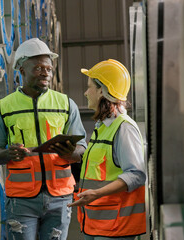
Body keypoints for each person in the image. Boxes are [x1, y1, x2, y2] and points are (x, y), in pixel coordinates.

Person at [0, 38, 87, 240]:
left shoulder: (66, 104)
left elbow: (82, 149)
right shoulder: (4, 108)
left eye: (48, 68)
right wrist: (7, 153)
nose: (46, 72)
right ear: (21, 69)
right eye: (38, 67)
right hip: (22, 200)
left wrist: (71, 153)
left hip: (60, 197)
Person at [68, 59, 146, 239]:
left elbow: (136, 174)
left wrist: (96, 193)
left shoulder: (124, 128)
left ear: (102, 90)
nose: (86, 92)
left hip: (115, 228)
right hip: (96, 225)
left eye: (90, 87)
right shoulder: (102, 127)